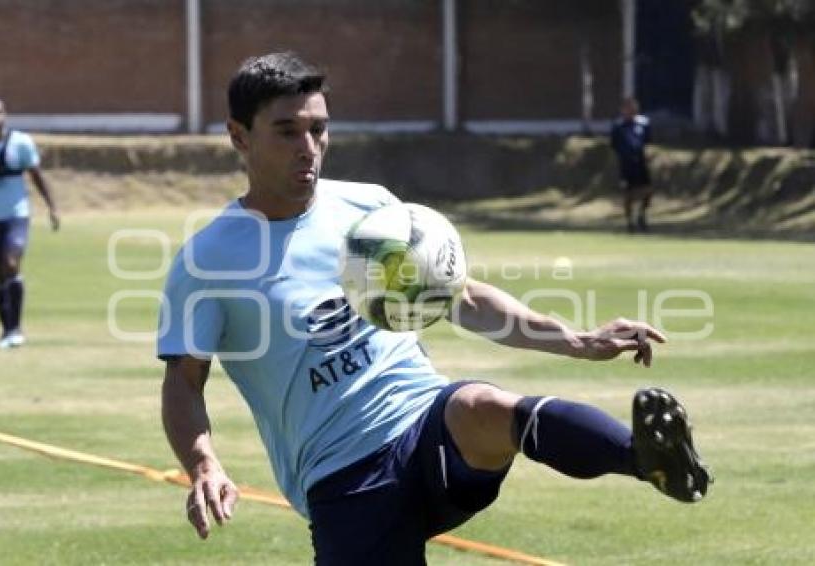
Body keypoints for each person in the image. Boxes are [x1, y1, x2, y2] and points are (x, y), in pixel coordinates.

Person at [158, 53, 711, 565]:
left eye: (318, 128)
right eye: (287, 131)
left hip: (425, 423)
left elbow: (462, 297)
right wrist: (203, 463)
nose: (309, 146)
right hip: (340, 477)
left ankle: (649, 461)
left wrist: (576, 340)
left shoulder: (370, 209)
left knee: (482, 405)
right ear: (239, 136)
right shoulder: (209, 260)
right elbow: (184, 384)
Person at [0, 97, 60, 348]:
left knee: (11, 263)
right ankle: (6, 329)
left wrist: (52, 207)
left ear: (5, 114)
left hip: (17, 215)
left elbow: (37, 177)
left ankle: (16, 328)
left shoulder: (21, 143)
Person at [610, 97, 653, 233]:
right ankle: (630, 221)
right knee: (628, 193)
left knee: (647, 190)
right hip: (626, 163)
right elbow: (614, 145)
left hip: (640, 161)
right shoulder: (618, 126)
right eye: (627, 108)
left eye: (633, 108)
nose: (630, 111)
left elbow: (649, 141)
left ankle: (642, 215)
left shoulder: (643, 124)